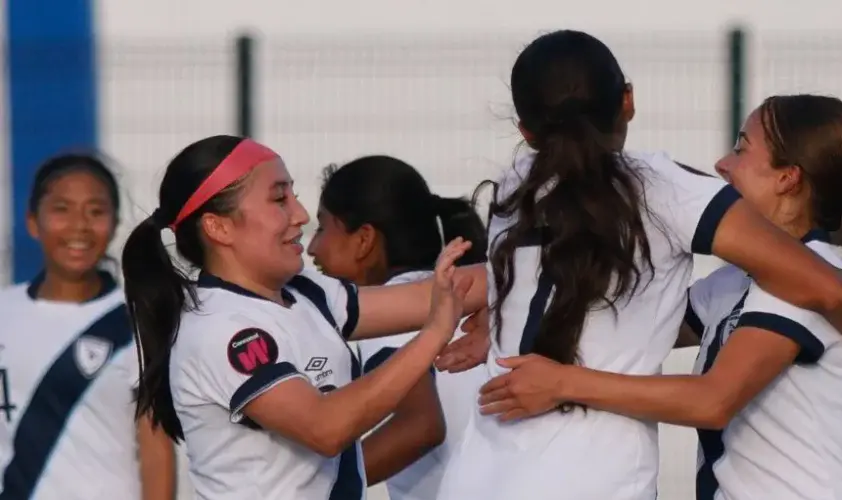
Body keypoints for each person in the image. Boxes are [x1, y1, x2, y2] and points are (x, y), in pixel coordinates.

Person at [434, 31, 842, 500]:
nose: (721, 164)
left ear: (789, 178)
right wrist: (512, 314)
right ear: (626, 101)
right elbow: (631, 318)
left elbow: (713, 400)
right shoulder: (728, 274)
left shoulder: (803, 281)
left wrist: (564, 379)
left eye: (741, 147)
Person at [120, 135, 487, 500]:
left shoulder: (306, 293)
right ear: (219, 227)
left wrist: (531, 263)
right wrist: (435, 332)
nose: (301, 215)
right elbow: (325, 428)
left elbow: (440, 295)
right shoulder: (222, 329)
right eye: (279, 198)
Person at [307, 156, 489, 500]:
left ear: (364, 240)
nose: (311, 247)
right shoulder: (454, 298)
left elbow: (421, 426)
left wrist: (313, 489)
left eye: (322, 227)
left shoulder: (392, 317)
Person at [0, 154, 176, 500]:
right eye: (61, 209)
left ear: (114, 224)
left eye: (96, 211)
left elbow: (157, 450)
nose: (79, 226)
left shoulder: (138, 320)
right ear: (33, 222)